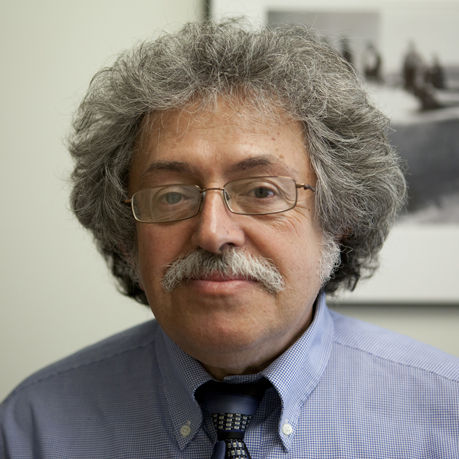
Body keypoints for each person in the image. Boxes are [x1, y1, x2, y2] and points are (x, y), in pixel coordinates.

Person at [1, 20, 458, 458]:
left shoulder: (446, 415)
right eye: (172, 196)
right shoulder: (33, 428)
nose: (212, 232)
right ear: (125, 233)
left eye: (261, 192)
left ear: (339, 216)